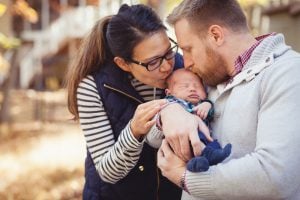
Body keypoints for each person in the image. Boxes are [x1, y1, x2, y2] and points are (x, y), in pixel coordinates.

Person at [156, 0, 300, 199]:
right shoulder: (209, 77)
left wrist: (185, 178)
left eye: (188, 49)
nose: (186, 62)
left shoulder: (287, 73)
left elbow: (276, 176)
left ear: (216, 35)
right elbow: (157, 136)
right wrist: (169, 112)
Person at [65, 4, 187, 200]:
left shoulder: (184, 67)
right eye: (153, 62)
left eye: (169, 51)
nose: (166, 66)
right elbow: (108, 172)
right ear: (123, 63)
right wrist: (133, 132)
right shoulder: (92, 87)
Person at [149, 68, 231, 172]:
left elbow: (211, 114)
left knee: (212, 142)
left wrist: (207, 105)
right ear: (169, 93)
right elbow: (156, 123)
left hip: (206, 140)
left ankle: (204, 160)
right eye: (184, 86)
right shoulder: (170, 103)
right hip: (180, 142)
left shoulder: (202, 103)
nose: (192, 89)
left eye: (197, 86)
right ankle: (204, 157)